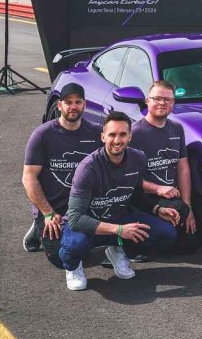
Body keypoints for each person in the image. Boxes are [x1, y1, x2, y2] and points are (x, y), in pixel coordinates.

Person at [59, 111, 180, 291]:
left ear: (130, 136)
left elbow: (136, 195)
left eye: (123, 134)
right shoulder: (88, 168)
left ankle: (117, 249)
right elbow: (76, 219)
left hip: (120, 216)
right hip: (89, 222)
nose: (117, 140)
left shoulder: (138, 158)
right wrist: (119, 230)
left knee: (167, 233)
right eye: (112, 135)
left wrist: (156, 209)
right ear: (103, 137)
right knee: (75, 246)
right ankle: (73, 267)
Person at [21, 83, 102, 267]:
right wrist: (48, 213)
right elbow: (29, 177)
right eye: (68, 102)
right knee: (60, 258)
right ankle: (39, 223)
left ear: (84, 105)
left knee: (83, 248)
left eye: (78, 102)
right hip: (54, 210)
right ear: (59, 106)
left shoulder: (97, 133)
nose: (73, 106)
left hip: (84, 207)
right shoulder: (43, 135)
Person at [129, 80, 198, 253]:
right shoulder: (134, 133)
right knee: (170, 232)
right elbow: (125, 177)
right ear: (147, 101)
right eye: (157, 98)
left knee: (190, 244)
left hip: (171, 197)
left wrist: (188, 206)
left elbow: (182, 167)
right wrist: (158, 189)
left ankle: (164, 231)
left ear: (173, 103)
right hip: (144, 197)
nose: (162, 103)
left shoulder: (177, 128)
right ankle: (127, 248)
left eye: (168, 99)